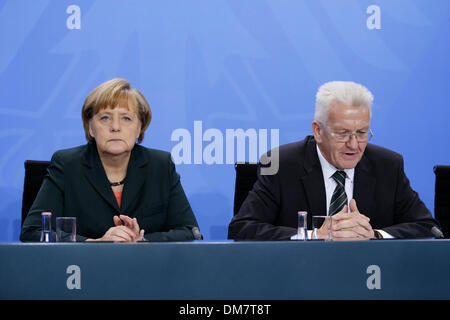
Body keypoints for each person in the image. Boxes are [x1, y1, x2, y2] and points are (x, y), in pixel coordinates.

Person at [228, 81, 439, 240]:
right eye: (342, 133)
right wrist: (314, 235)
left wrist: (374, 235)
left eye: (362, 133)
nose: (354, 145)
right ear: (318, 131)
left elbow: (427, 226)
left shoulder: (387, 166)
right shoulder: (281, 165)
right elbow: (243, 227)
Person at [21, 78, 200, 242]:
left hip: (147, 270)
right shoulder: (67, 165)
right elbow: (32, 232)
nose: (115, 127)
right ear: (91, 127)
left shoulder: (160, 165)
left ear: (139, 129)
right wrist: (95, 243)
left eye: (126, 118)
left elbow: (190, 232)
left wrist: (141, 241)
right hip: (83, 271)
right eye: (105, 118)